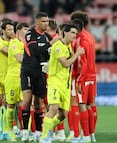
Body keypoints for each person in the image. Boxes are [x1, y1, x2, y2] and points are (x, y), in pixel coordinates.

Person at [40, 24, 84, 143]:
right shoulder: (58, 46)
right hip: (55, 82)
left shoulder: (68, 46)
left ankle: (47, 129)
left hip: (65, 84)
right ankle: (44, 137)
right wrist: (77, 54)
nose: (75, 35)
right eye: (72, 33)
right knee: (53, 108)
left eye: (76, 33)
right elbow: (65, 63)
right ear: (65, 33)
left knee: (63, 114)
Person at [20, 12, 58, 142]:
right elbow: (35, 51)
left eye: (47, 21)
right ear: (36, 22)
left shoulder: (47, 36)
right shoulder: (30, 34)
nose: (46, 24)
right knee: (26, 100)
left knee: (38, 103)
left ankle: (37, 132)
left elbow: (48, 55)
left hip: (41, 73)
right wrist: (52, 43)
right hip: (28, 70)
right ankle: (25, 131)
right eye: (43, 21)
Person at [70, 11, 97, 143]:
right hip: (92, 76)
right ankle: (91, 135)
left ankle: (85, 136)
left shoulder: (81, 39)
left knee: (81, 105)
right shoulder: (90, 36)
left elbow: (81, 62)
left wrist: (79, 79)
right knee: (91, 105)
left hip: (83, 77)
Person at [4, 22, 29, 141]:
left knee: (24, 105)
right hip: (12, 78)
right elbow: (19, 58)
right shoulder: (14, 42)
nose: (27, 32)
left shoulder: (26, 44)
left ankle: (24, 131)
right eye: (25, 29)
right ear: (18, 31)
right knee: (10, 105)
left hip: (23, 77)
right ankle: (10, 131)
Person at [0, 20, 14, 140]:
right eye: (9, 29)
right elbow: (8, 52)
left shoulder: (14, 42)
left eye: (13, 29)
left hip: (9, 77)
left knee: (9, 105)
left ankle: (6, 130)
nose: (12, 32)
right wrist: (17, 47)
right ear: (3, 30)